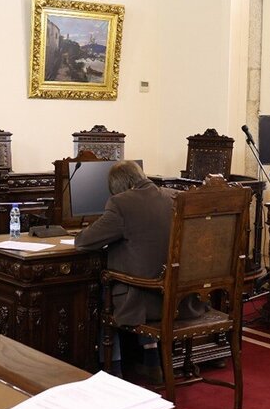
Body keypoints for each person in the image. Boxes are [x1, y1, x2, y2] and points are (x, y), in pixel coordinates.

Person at [74, 161, 204, 382]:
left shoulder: (121, 203)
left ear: (120, 187)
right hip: (181, 301)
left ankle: (112, 367)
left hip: (143, 303)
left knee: (101, 294)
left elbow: (83, 242)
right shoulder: (175, 196)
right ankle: (151, 360)